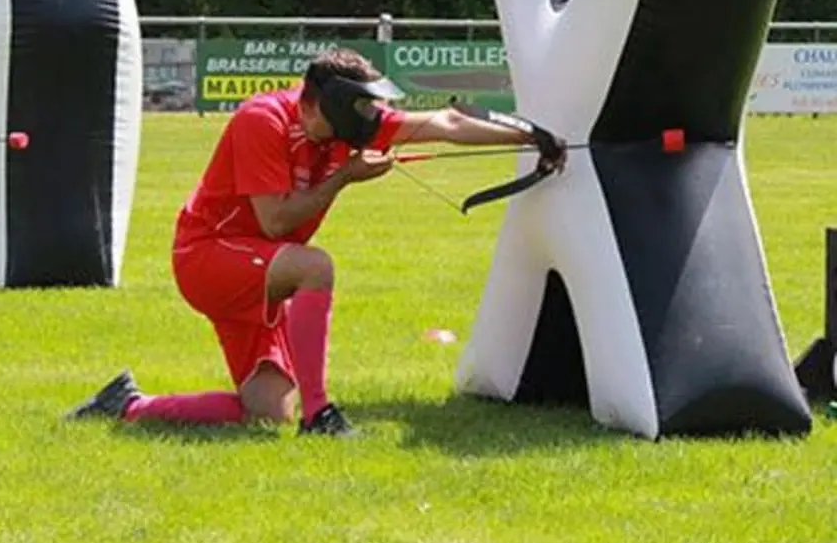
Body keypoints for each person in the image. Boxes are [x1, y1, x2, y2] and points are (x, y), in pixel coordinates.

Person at [67, 46, 567, 436]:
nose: (353, 135)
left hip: (259, 269)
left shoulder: (346, 124)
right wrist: (343, 178)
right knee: (315, 267)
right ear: (312, 105)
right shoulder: (262, 120)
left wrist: (529, 137)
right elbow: (276, 223)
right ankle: (320, 413)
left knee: (264, 414)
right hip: (207, 257)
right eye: (342, 124)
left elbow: (447, 123)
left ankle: (129, 405)